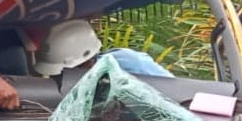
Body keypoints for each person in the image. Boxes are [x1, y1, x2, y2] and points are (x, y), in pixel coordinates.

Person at [32, 19, 172, 78]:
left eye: (63, 73)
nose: (61, 78)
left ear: (87, 62)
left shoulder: (129, 64)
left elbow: (174, 93)